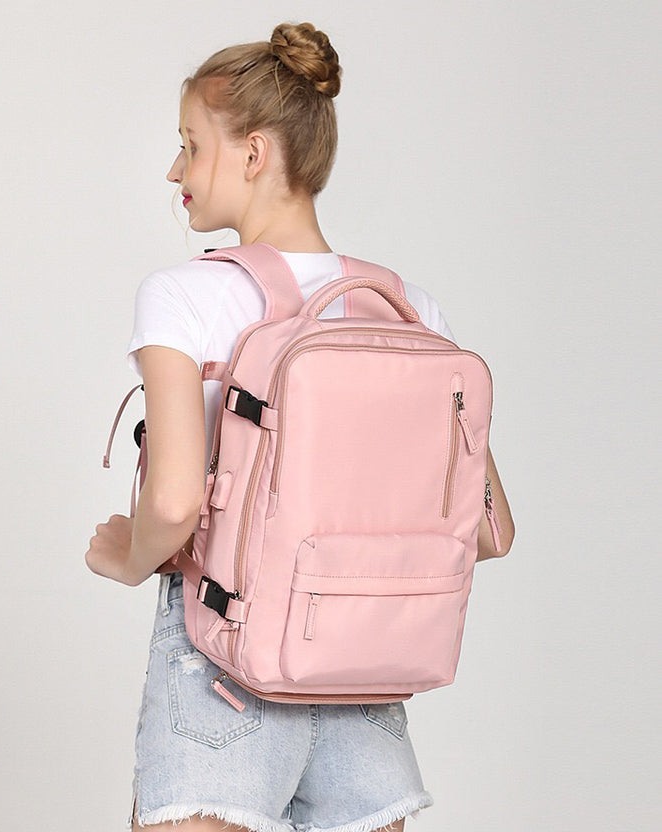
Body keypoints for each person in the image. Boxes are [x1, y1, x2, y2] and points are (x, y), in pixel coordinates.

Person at [86, 20, 515, 832]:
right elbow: (491, 531)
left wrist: (126, 556)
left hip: (220, 669)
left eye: (191, 146)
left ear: (253, 154)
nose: (176, 171)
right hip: (365, 686)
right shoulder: (410, 312)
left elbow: (174, 503)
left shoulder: (182, 296)